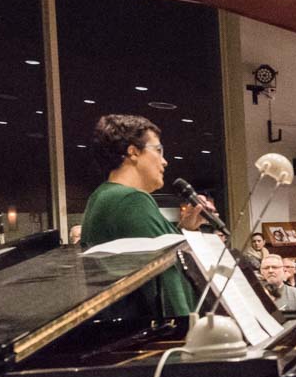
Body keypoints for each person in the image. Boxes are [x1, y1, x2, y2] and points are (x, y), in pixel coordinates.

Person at [80, 114, 209, 319]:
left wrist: (186, 229)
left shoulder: (102, 196)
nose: (165, 161)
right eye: (158, 150)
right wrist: (188, 327)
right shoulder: (131, 200)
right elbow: (168, 277)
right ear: (133, 152)